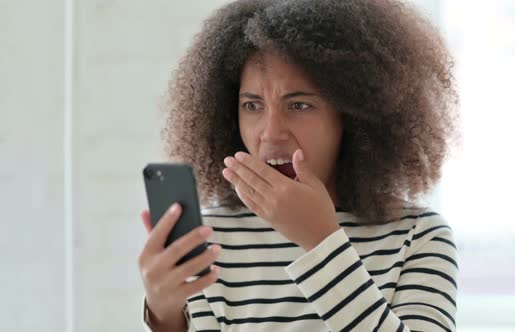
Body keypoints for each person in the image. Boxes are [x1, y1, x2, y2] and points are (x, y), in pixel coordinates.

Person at [137, 0, 462, 331]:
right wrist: (165, 317)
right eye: (252, 105)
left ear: (353, 117)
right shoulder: (209, 240)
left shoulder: (418, 237)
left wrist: (322, 241)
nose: (270, 133)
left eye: (299, 104)